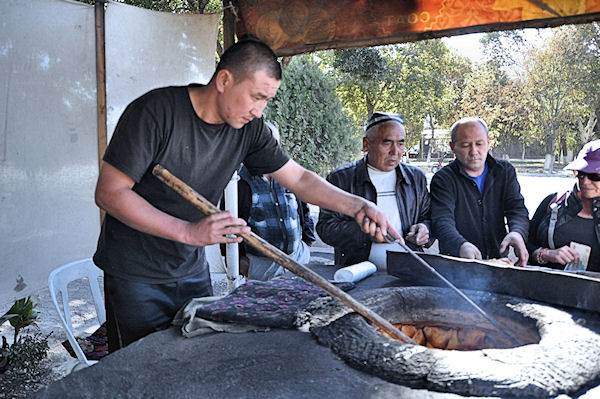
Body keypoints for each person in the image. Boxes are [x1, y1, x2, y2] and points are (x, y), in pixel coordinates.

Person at [93, 37, 399, 352]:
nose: (259, 110)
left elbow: (300, 179)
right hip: (135, 272)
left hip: (190, 268)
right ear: (224, 80)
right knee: (141, 368)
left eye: (267, 100)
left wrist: (357, 205)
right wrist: (187, 230)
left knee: (194, 357)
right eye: (256, 96)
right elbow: (110, 193)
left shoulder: (249, 129)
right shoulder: (156, 112)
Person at [317, 112, 431, 269]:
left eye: (401, 143)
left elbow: (428, 217)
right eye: (387, 143)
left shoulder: (415, 178)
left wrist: (425, 229)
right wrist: (365, 232)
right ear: (366, 144)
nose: (395, 151)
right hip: (356, 271)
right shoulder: (342, 179)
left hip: (409, 271)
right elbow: (326, 228)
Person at [430, 117, 529, 266]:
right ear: (453, 147)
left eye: (479, 144)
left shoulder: (504, 172)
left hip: (499, 261)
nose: (474, 151)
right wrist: (461, 245)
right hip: (457, 264)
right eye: (465, 145)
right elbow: (442, 221)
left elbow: (517, 209)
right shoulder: (443, 179)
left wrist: (517, 232)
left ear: (488, 143)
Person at [237, 122, 316, 280]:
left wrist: (307, 242)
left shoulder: (290, 175)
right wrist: (238, 260)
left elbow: (304, 209)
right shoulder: (239, 181)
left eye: (273, 145)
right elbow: (228, 225)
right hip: (261, 265)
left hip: (298, 258)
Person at [527, 140, 600, 272]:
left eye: (595, 175)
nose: (585, 181)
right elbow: (526, 244)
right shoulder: (553, 204)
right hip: (548, 289)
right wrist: (546, 254)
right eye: (581, 174)